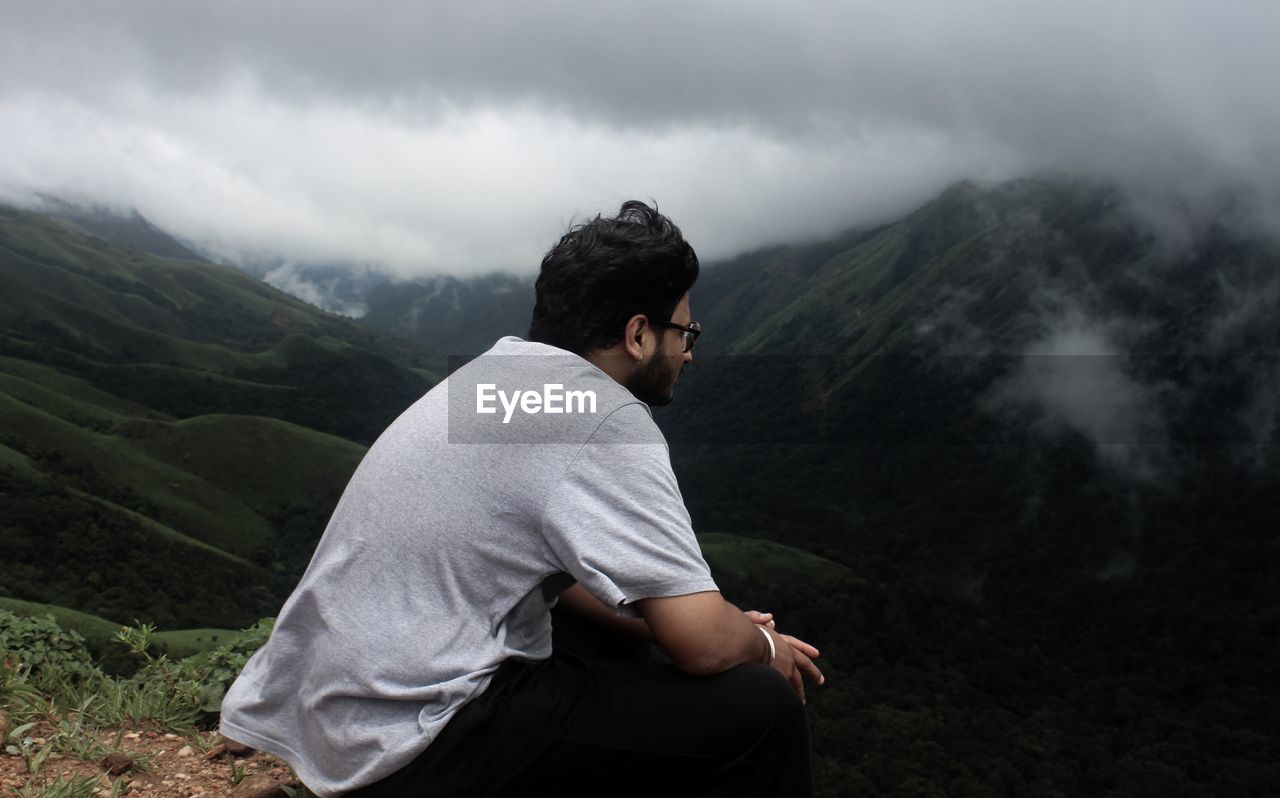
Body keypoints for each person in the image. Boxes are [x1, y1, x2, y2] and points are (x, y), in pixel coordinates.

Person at [219, 200, 824, 797]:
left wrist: (690, 624)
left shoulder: (492, 379)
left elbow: (611, 596)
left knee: (613, 634)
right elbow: (706, 647)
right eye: (684, 332)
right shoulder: (598, 414)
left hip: (334, 715)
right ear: (638, 334)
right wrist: (761, 646)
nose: (689, 351)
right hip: (410, 741)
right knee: (759, 710)